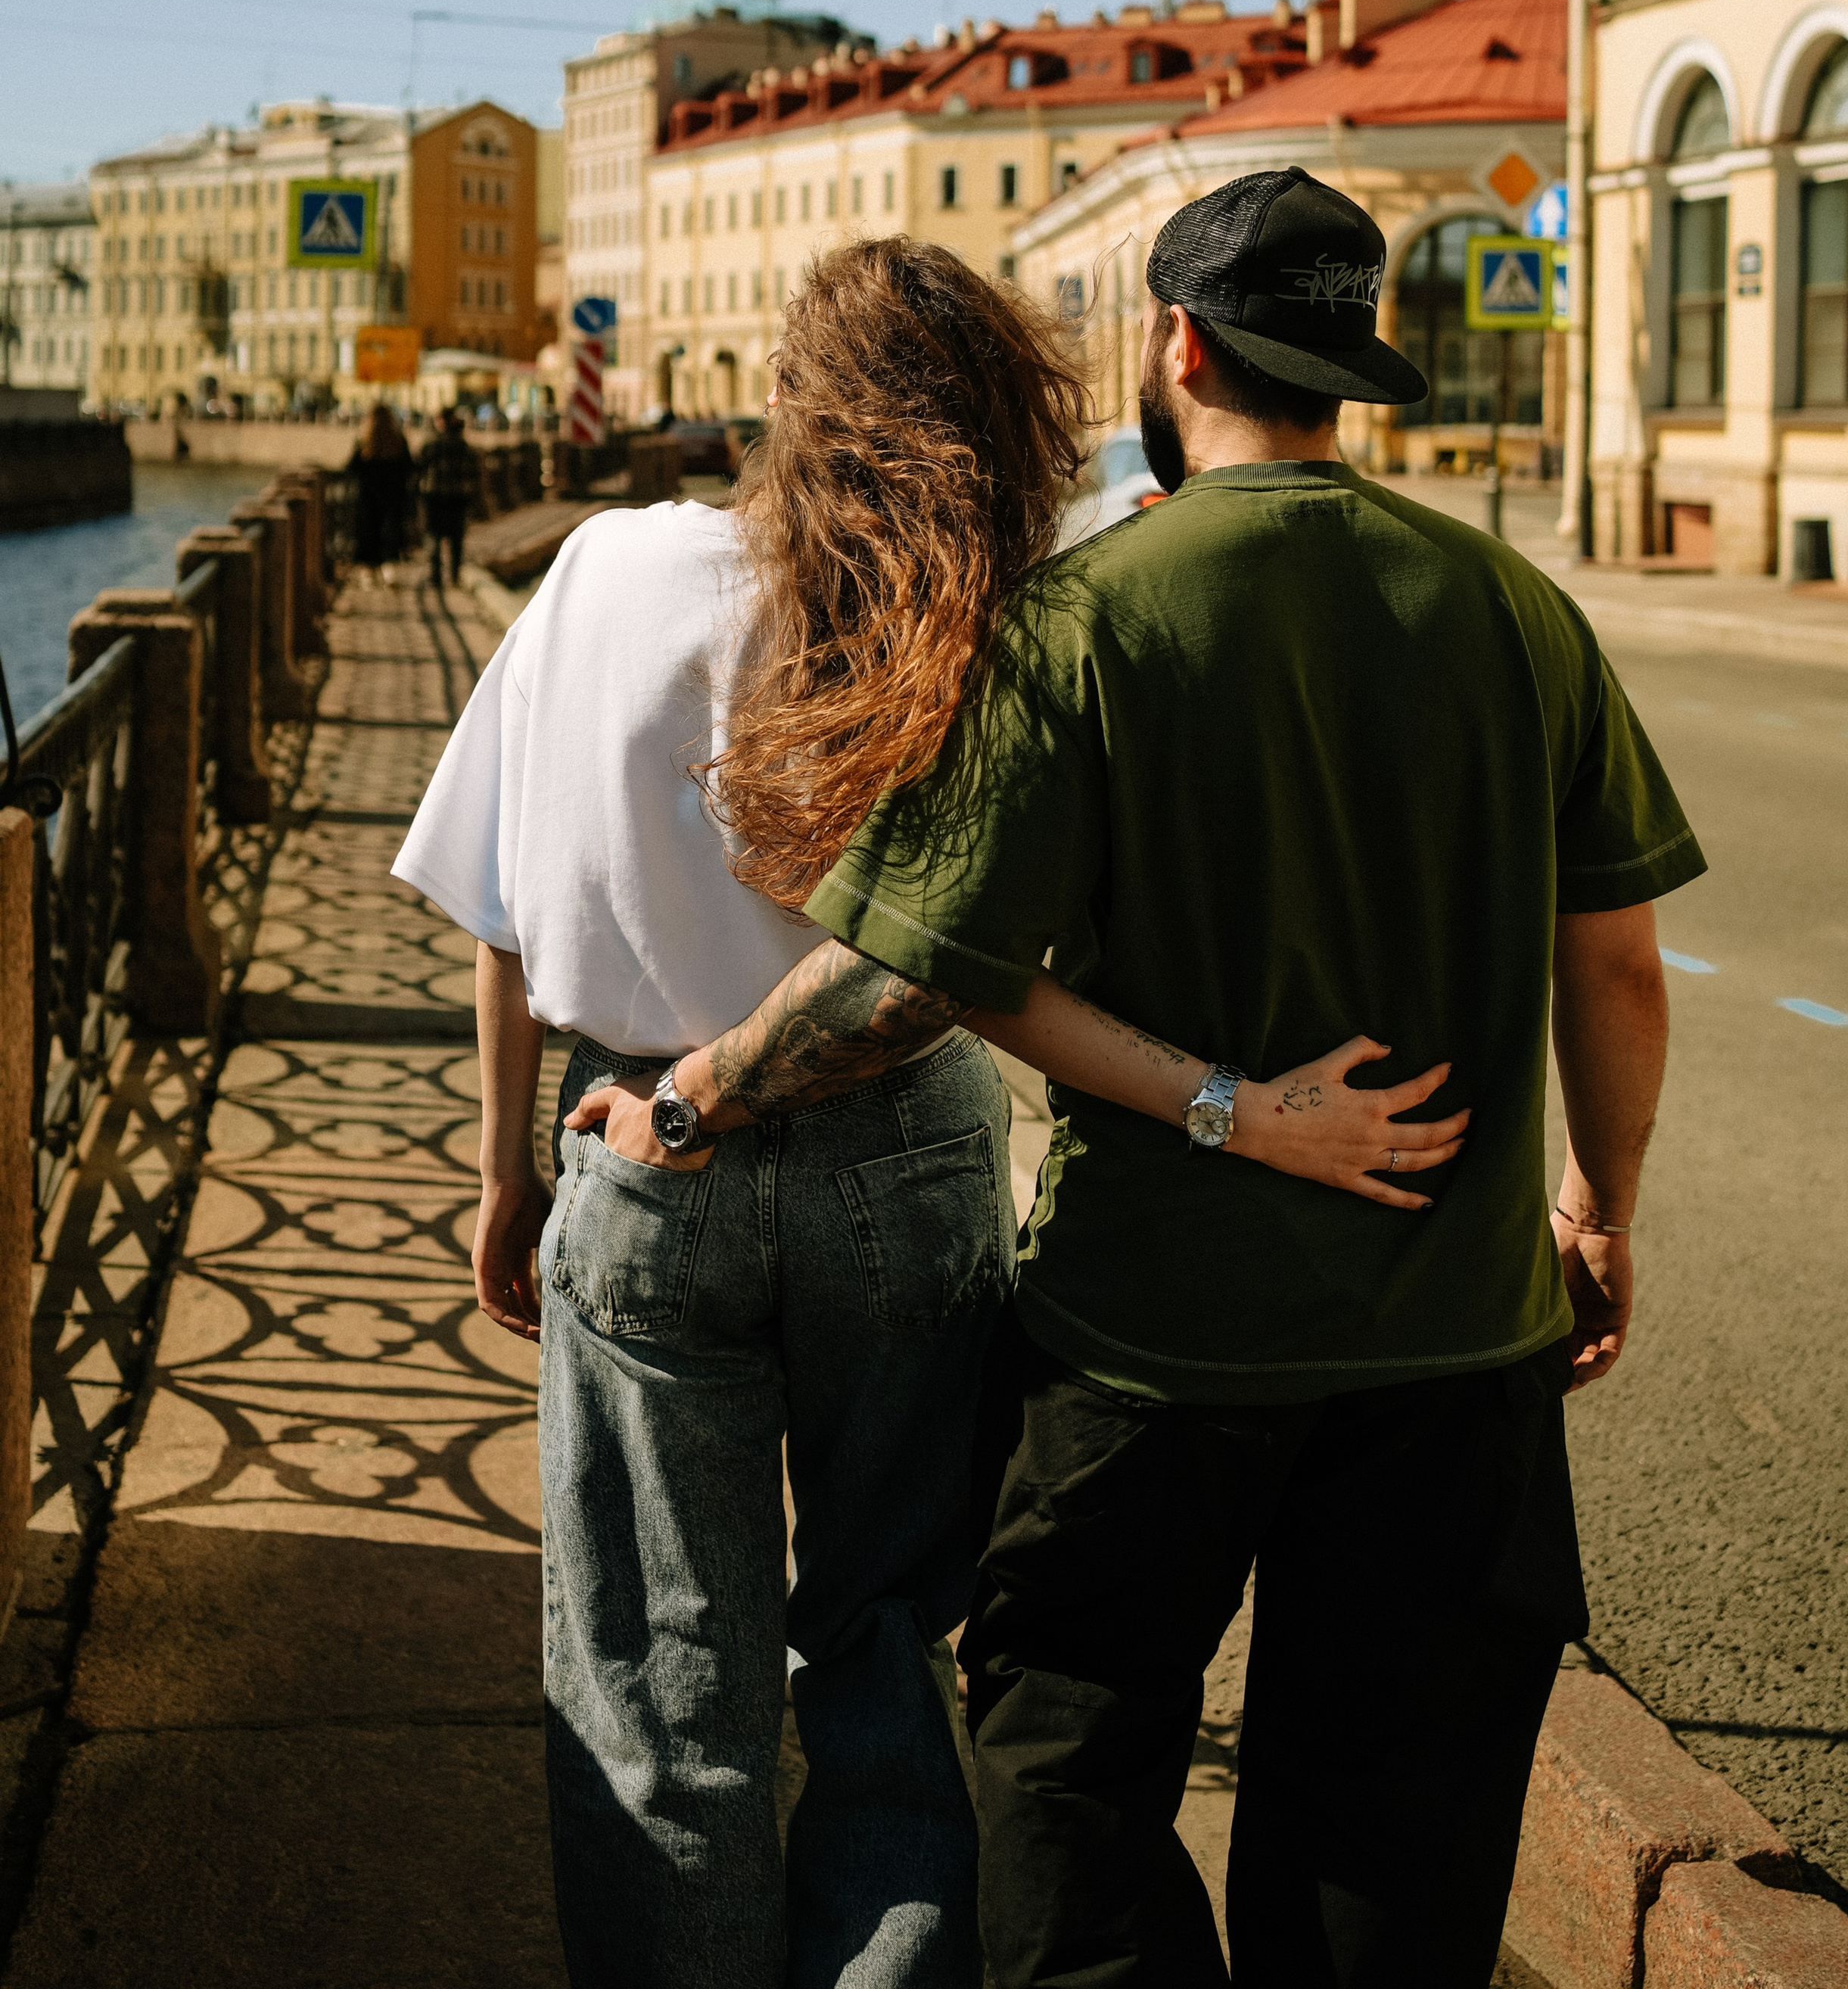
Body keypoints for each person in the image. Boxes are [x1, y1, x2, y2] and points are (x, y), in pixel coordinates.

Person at [649, 169, 1705, 1988]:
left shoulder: (1077, 624)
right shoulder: (1510, 607)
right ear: (1347, 369)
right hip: (1455, 1356)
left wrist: (694, 1097)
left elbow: (914, 977)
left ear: (1177, 341)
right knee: (1392, 1847)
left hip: (1148, 1356)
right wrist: (1593, 1213)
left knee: (1059, 1787)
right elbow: (1611, 961)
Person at [392, 235, 1467, 1989]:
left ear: (783, 398)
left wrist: (501, 1167)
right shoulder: (996, 593)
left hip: (635, 1145)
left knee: (657, 1673)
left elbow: (507, 911)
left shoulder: (602, 567)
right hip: (908, 1142)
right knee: (890, 1629)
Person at [345, 402, 413, 582]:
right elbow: (409, 467)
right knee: (390, 532)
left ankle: (369, 574)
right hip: (393, 496)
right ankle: (389, 571)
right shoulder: (398, 440)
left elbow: (351, 468)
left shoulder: (364, 442)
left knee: (369, 532)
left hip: (368, 497)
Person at [417, 403, 479, 587]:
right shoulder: (463, 445)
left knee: (433, 534)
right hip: (458, 496)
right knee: (456, 537)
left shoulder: (431, 444)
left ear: (441, 421)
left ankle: (435, 576)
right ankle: (454, 576)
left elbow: (419, 468)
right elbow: (473, 473)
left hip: (433, 495)